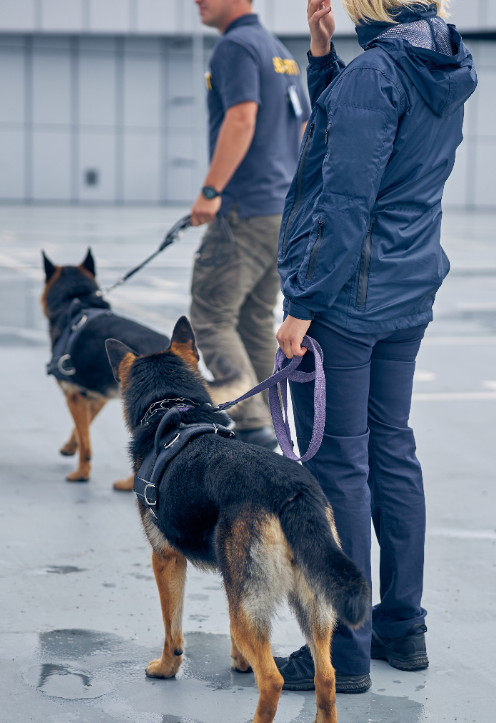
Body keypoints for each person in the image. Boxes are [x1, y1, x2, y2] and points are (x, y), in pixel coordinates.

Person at [273, 0, 476, 693]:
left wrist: (301, 305)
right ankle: (401, 628)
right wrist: (324, 56)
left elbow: (345, 198)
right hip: (407, 291)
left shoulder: (379, 74)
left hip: (348, 302)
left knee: (339, 469)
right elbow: (362, 143)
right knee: (392, 448)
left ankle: (346, 649)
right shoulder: (440, 62)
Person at [188, 0, 310, 450]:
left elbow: (241, 118)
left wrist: (212, 190)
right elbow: (304, 132)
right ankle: (269, 424)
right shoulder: (279, 51)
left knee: (211, 315)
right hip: (280, 208)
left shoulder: (235, 47)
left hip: (245, 208)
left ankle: (250, 423)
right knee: (254, 319)